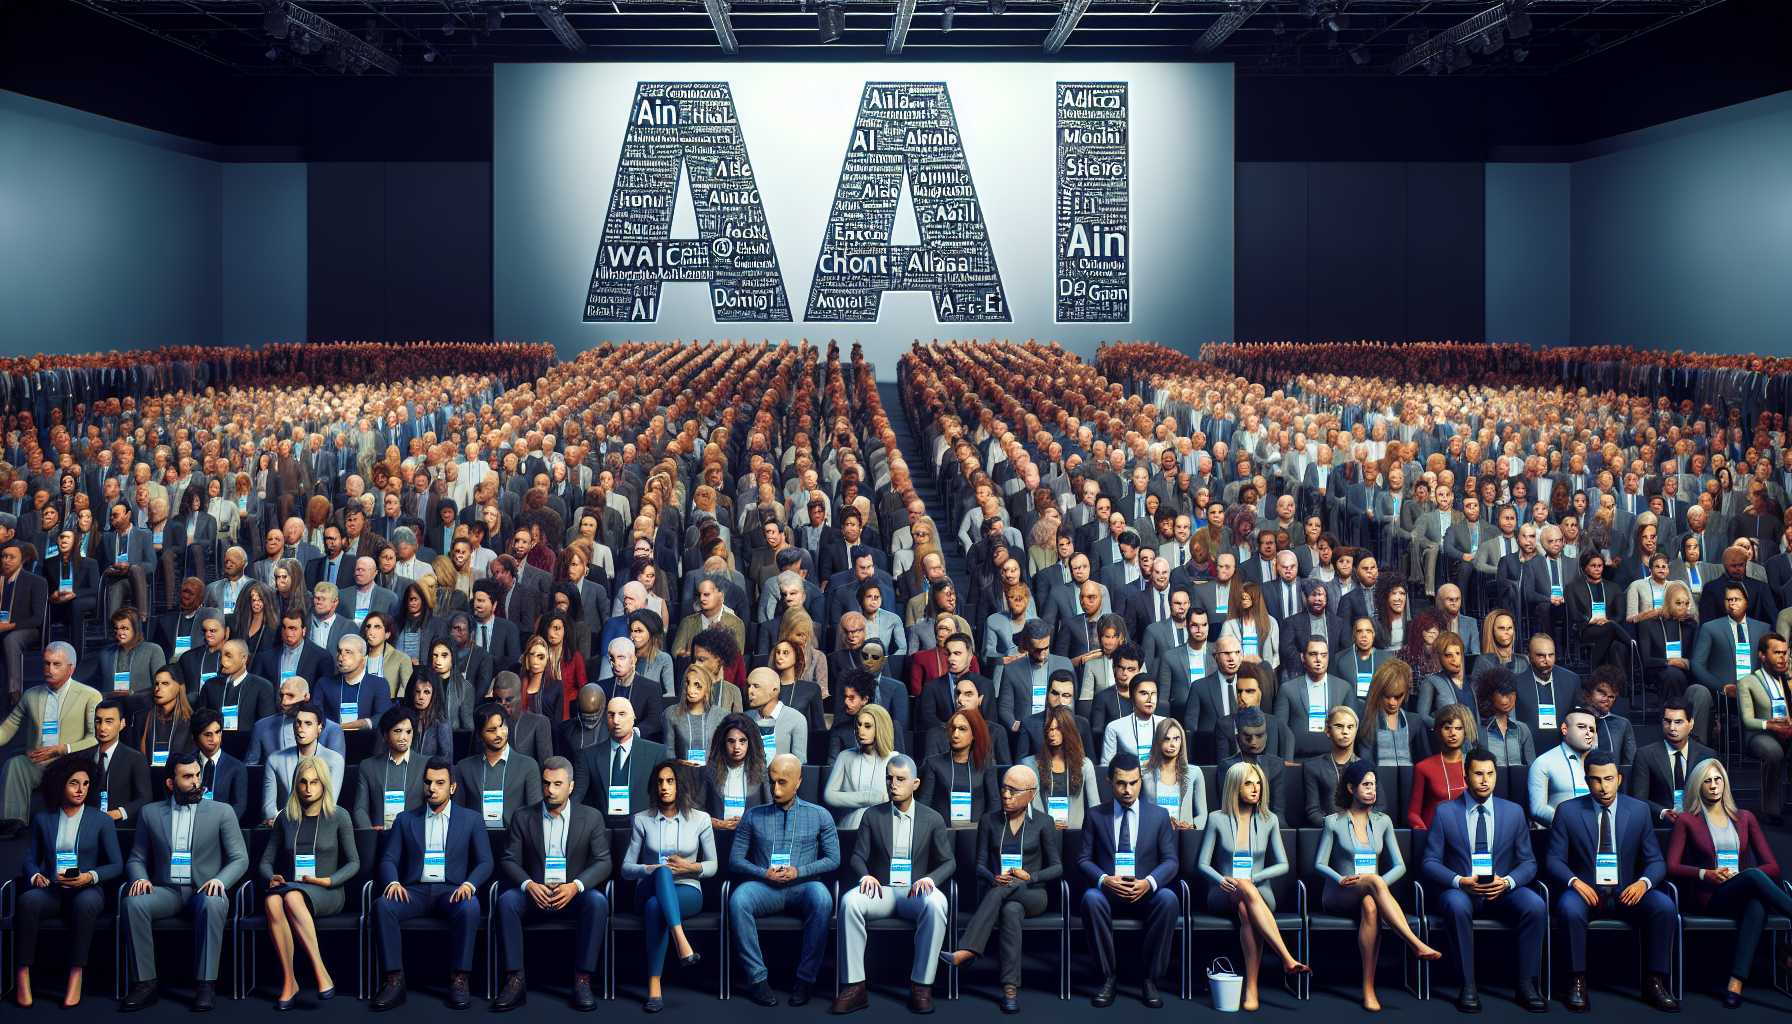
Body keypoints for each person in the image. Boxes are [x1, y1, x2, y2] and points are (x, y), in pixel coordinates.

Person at [1543, 751, 1679, 1012]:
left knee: (1663, 906)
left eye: (1608, 779)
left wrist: (1643, 884)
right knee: (1569, 909)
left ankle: (1655, 981)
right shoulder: (1568, 811)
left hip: (1628, 889)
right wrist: (1574, 882)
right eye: (1596, 780)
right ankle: (1577, 980)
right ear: (1587, 780)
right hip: (1586, 891)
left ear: (1619, 778)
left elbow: (1656, 861)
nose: (1603, 787)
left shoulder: (1638, 811)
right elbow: (1553, 860)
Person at [119, 751, 250, 1012]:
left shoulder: (222, 812)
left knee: (213, 903)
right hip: (166, 890)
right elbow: (136, 857)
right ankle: (145, 984)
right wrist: (141, 878)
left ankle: (205, 985)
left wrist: (220, 881)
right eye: (187, 776)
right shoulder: (149, 813)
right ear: (170, 783)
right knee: (133, 903)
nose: (196, 782)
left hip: (204, 889)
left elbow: (240, 858)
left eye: (198, 775)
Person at [1420, 749, 1548, 1013]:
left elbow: (1529, 862)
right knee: (1456, 905)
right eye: (1478, 774)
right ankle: (1467, 985)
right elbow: (1429, 862)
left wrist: (1508, 882)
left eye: (1490, 774)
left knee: (1535, 905)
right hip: (1462, 891)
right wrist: (1459, 881)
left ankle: (1526, 984)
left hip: (1503, 890)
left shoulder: (1513, 812)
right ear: (1466, 776)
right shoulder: (1445, 812)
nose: (1485, 780)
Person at [832, 753, 955, 1015]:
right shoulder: (871, 815)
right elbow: (857, 856)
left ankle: (922, 985)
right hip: (881, 891)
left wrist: (929, 879)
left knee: (937, 903)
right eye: (889, 778)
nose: (893, 784)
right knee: (849, 901)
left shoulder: (932, 818)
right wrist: (864, 874)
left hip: (914, 892)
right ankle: (855, 986)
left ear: (916, 783)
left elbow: (949, 862)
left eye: (901, 779)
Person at [1664, 757, 1792, 1008]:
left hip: (1742, 889)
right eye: (1707, 781)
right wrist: (1705, 874)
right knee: (1755, 880)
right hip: (1710, 897)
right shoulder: (1687, 820)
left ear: (1725, 783)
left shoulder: (1745, 817)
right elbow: (1671, 866)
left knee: (1757, 900)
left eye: (1718, 779)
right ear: (1698, 787)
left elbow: (1773, 866)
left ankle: (1735, 983)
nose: (1713, 786)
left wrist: (1743, 876)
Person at [1314, 761, 1441, 1010]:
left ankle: (1368, 989)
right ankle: (1414, 943)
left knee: (1371, 906)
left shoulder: (1383, 822)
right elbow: (1318, 863)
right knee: (1372, 883)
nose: (1372, 790)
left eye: (1374, 785)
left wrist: (1379, 884)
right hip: (1339, 893)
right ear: (1351, 788)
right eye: (1366, 785)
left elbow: (1400, 866)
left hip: (1370, 893)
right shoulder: (1333, 822)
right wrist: (1339, 878)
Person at [370, 756, 494, 1011]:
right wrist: (393, 881)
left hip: (452, 892)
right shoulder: (406, 819)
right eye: (428, 782)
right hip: (413, 891)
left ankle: (460, 978)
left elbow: (485, 862)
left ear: (452, 788)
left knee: (470, 907)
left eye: (439, 783)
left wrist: (469, 885)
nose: (432, 788)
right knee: (383, 905)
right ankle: (394, 980)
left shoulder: (471, 819)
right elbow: (389, 858)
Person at [938, 764, 1063, 1014]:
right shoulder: (989, 821)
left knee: (1012, 899)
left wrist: (1031, 876)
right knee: (1011, 912)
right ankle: (1010, 990)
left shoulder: (1044, 822)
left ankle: (968, 949)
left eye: (1013, 790)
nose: (1005, 795)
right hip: (1000, 893)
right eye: (1003, 788)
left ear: (1031, 793)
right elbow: (979, 866)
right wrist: (993, 876)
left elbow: (1057, 868)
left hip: (1033, 894)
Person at [492, 756, 612, 1012]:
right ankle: (515, 979)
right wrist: (528, 885)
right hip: (535, 892)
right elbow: (509, 860)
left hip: (572, 894)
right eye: (547, 784)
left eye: (558, 784)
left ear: (570, 786)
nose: (550, 790)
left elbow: (604, 862)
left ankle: (582, 979)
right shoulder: (523, 816)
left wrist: (576, 886)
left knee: (598, 901)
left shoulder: (591, 817)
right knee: (506, 901)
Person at [728, 753, 840, 1007]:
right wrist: (762, 872)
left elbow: (834, 859)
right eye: (772, 782)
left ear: (799, 781)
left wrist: (799, 871)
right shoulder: (753, 815)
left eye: (783, 782)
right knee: (738, 900)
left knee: (822, 898)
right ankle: (757, 979)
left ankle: (805, 979)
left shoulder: (820, 815)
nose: (775, 789)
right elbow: (735, 860)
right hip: (765, 887)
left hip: (803, 886)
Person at [1195, 759, 1308, 1011]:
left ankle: (1253, 987)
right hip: (1222, 893)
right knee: (1243, 893)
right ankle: (1285, 959)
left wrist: (1252, 879)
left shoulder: (1270, 820)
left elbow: (1283, 865)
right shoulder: (1216, 819)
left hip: (1259, 893)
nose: (1255, 788)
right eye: (1248, 783)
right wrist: (1221, 879)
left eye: (1258, 783)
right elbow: (1201, 864)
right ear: (1235, 786)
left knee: (1246, 907)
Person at [13, 757, 122, 1008]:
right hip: (51, 889)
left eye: (85, 783)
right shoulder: (44, 819)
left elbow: (116, 865)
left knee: (85, 905)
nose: (80, 789)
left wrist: (89, 877)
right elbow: (30, 859)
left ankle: (76, 973)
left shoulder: (101, 820)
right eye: (74, 783)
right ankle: (22, 972)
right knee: (27, 901)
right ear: (61, 784)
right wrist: (34, 875)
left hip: (86, 889)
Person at [1079, 751, 1183, 1008]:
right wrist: (1104, 880)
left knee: (1168, 898)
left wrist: (1149, 882)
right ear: (1109, 782)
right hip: (1108, 894)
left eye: (1134, 783)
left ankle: (1149, 978)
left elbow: (1171, 861)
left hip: (1145, 892)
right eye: (1121, 783)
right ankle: (1108, 977)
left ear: (1140, 781)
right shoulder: (1095, 815)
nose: (1128, 790)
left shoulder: (1159, 816)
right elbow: (1082, 860)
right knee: (1090, 898)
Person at [257, 754, 358, 1009]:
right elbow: (265, 862)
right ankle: (290, 981)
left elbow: (354, 863)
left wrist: (326, 880)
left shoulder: (339, 816)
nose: (308, 788)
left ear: (324, 784)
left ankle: (319, 969)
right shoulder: (285, 818)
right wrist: (273, 877)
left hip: (329, 891)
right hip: (293, 887)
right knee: (273, 902)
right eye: (303, 782)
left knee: (289, 897)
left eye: (314, 782)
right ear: (296, 785)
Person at [623, 759, 717, 1012]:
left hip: (687, 890)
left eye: (670, 781)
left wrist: (689, 867)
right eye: (660, 782)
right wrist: (653, 869)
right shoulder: (642, 820)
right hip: (649, 887)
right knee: (662, 875)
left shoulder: (701, 819)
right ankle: (681, 940)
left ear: (680, 785)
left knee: (657, 908)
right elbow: (626, 869)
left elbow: (713, 865)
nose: (664, 787)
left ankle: (654, 986)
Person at [0, 642, 100, 836]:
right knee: (15, 764)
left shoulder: (90, 695)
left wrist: (63, 749)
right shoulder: (31, 695)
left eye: (56, 664)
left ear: (71, 668)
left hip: (70, 761)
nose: (49, 669)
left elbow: (94, 737)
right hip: (37, 760)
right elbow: (8, 728)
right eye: (46, 663)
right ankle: (13, 822)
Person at [574, 697, 667, 825]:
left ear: (633, 718)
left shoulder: (657, 753)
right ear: (605, 719)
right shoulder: (588, 755)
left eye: (622, 714)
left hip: (643, 829)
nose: (616, 721)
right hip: (601, 830)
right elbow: (577, 799)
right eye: (611, 715)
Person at [453, 703, 542, 830]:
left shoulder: (528, 766)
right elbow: (458, 814)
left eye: (502, 727)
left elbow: (535, 815)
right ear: (480, 734)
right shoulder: (463, 768)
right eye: (491, 730)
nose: (499, 734)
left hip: (514, 839)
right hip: (476, 839)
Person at [1736, 630, 1792, 825]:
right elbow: (1747, 720)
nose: (1782, 657)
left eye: (1785, 653)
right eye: (1777, 653)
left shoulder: (1787, 679)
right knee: (1774, 752)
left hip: (1787, 731)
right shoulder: (1748, 682)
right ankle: (1771, 809)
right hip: (1760, 734)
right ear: (1762, 655)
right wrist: (1770, 725)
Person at [262, 702, 346, 825]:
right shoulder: (274, 760)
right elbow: (268, 809)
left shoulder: (334, 760)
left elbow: (329, 804)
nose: (301, 728)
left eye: (308, 724)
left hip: (320, 826)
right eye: (298, 722)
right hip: (284, 826)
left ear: (319, 728)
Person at [919, 707, 1001, 828]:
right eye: (953, 728)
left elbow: (994, 805)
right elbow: (924, 805)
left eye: (962, 729)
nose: (955, 734)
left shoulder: (986, 765)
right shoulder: (933, 763)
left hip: (975, 833)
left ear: (974, 734)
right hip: (942, 832)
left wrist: (986, 832)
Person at [351, 706, 428, 829]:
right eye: (397, 731)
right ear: (385, 735)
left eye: (408, 732)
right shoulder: (368, 766)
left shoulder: (426, 764)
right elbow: (360, 809)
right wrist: (371, 833)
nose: (404, 737)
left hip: (414, 838)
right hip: (379, 837)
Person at [823, 702, 895, 828]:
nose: (860, 730)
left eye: (867, 726)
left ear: (880, 728)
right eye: (859, 725)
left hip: (883, 826)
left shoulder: (894, 759)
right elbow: (829, 795)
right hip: (851, 825)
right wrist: (868, 797)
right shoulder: (845, 756)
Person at [1408, 704, 1477, 829]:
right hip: (1434, 835)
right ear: (1439, 730)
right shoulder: (1424, 767)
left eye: (1458, 728)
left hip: (1468, 835)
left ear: (1465, 731)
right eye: (1447, 728)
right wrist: (1424, 833)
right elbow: (1413, 813)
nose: (1452, 733)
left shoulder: (1476, 765)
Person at [1529, 705, 1600, 825]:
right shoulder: (1544, 762)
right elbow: (1537, 809)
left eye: (1592, 729)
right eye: (1581, 727)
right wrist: (1570, 825)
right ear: (1564, 729)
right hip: (1560, 835)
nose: (1589, 733)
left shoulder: (1600, 765)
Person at [89, 697, 153, 822]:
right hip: (89, 826)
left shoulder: (136, 759)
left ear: (122, 723)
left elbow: (145, 799)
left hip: (120, 827)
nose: (102, 727)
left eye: (109, 721)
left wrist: (119, 813)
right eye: (98, 721)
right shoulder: (84, 757)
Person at [701, 713, 771, 826]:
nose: (737, 747)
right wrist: (714, 823)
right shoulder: (710, 771)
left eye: (742, 741)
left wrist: (747, 823)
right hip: (718, 835)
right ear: (723, 743)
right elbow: (697, 811)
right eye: (731, 741)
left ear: (750, 743)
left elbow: (769, 812)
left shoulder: (760, 771)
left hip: (748, 837)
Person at [1300, 706, 1359, 827]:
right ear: (1327, 730)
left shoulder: (1366, 766)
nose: (1345, 732)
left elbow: (1380, 807)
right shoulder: (1313, 767)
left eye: (1350, 727)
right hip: (1327, 832)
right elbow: (1313, 811)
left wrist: (1357, 825)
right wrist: (1336, 828)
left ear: (1356, 730)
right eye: (1339, 726)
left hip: (1360, 831)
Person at [1142, 717, 1206, 829]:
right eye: (1166, 739)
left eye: (1176, 739)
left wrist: (1191, 827)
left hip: (1184, 837)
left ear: (1182, 741)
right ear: (1158, 742)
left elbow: (1203, 814)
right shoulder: (1144, 774)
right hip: (1152, 835)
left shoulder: (1194, 772)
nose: (1172, 744)